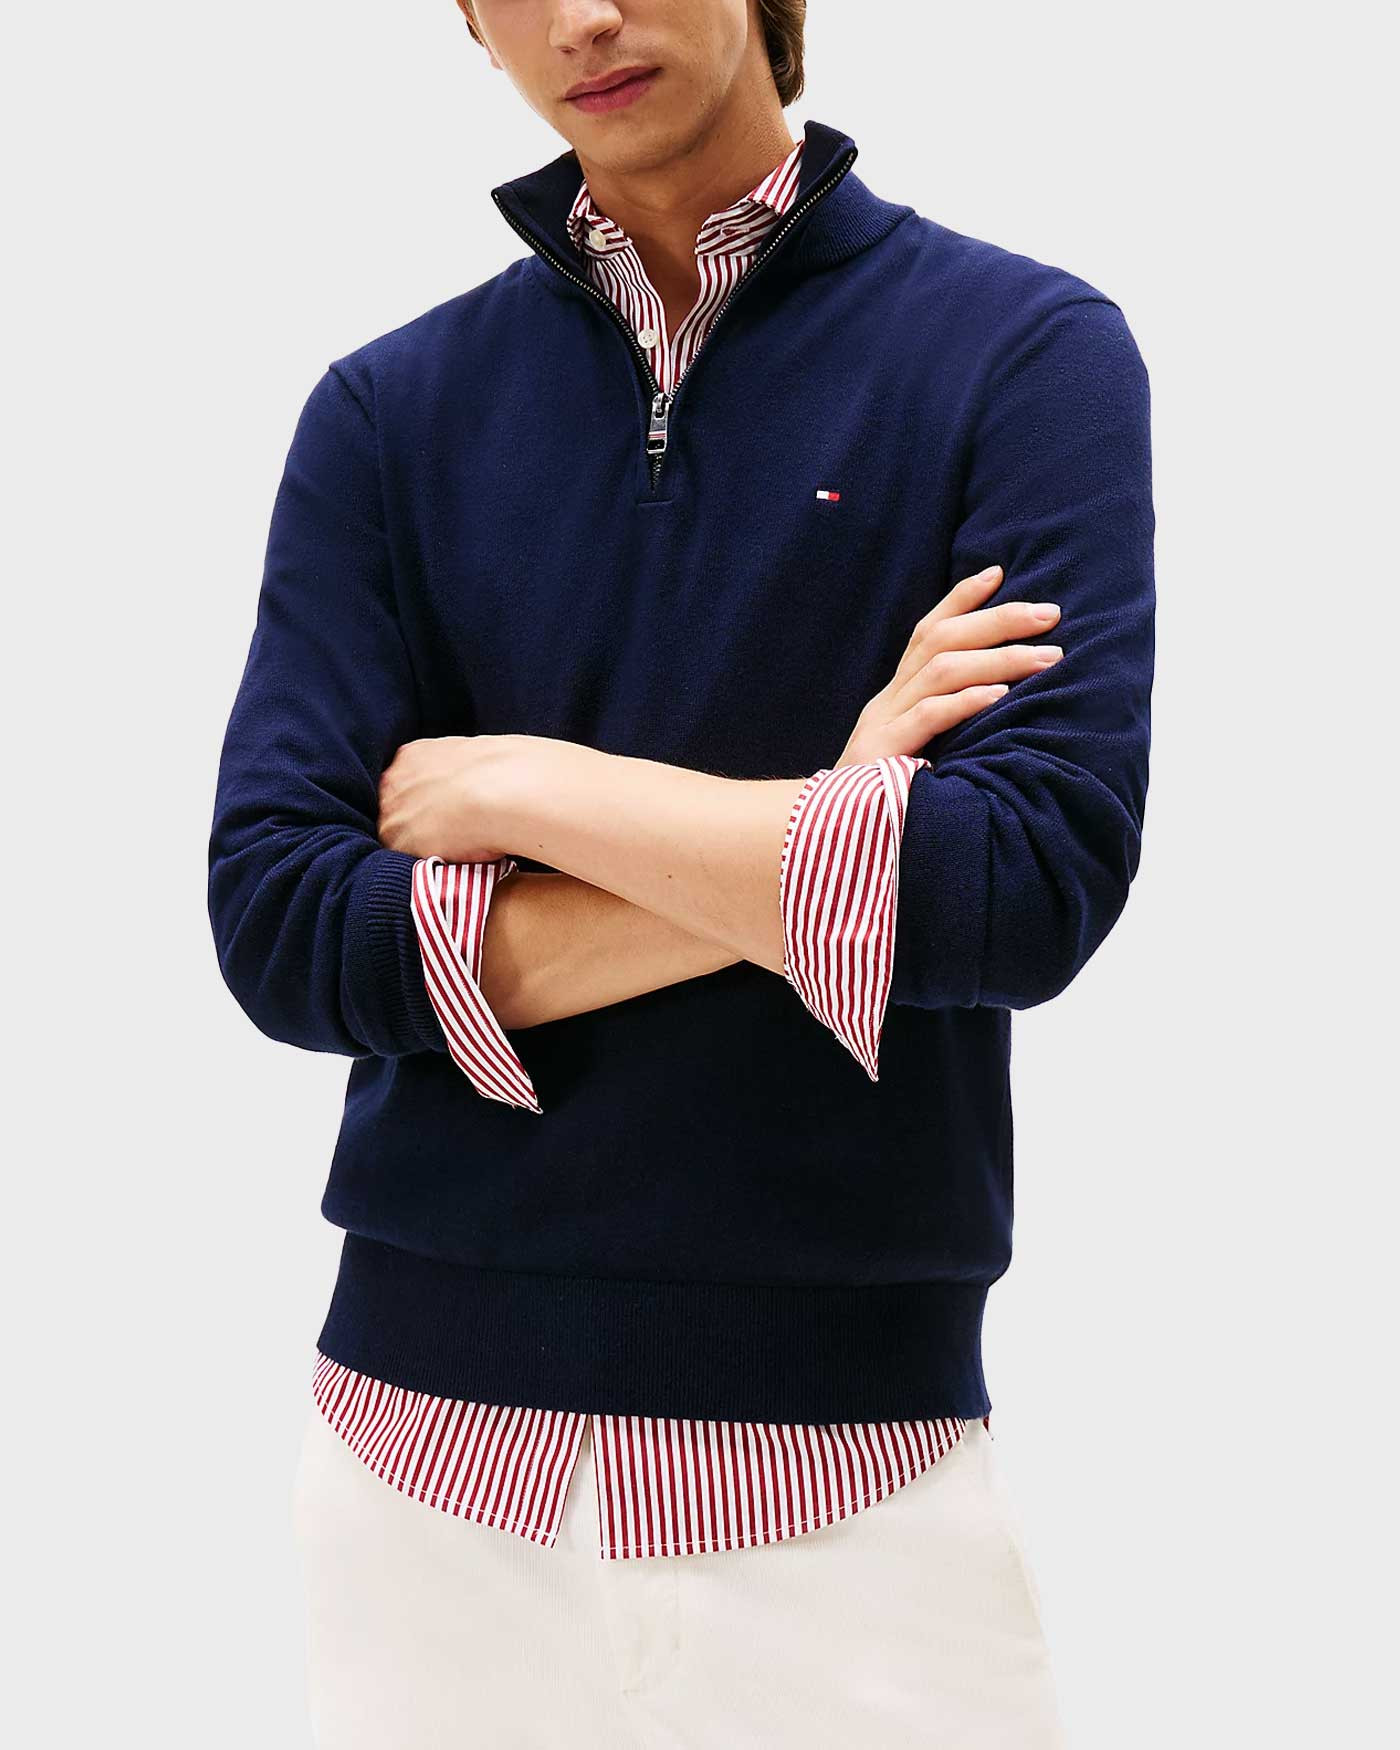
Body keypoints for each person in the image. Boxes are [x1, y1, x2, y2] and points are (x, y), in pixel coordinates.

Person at [207, 1, 1155, 1742]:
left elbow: (1021, 881)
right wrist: (835, 821)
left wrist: (529, 786)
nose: (583, 16)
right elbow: (283, 926)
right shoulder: (387, 413)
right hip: (419, 1489)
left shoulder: (1022, 353)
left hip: (853, 1502)